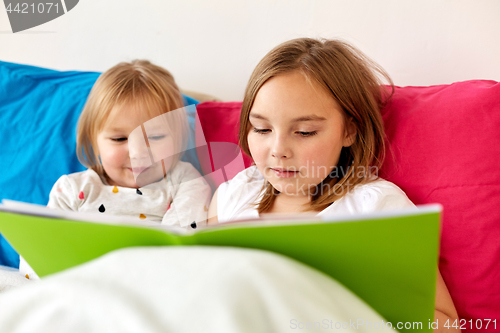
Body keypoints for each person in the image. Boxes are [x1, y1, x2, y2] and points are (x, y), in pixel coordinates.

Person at [208, 38, 460, 332]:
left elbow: (446, 323)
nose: (278, 149)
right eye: (261, 129)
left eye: (304, 132)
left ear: (349, 130)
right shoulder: (234, 194)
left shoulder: (376, 207)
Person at [19, 60, 211, 279]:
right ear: (94, 142)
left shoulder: (186, 182)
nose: (137, 152)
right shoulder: (72, 189)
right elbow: (38, 254)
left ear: (179, 139)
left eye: (155, 137)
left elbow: (180, 249)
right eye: (119, 138)